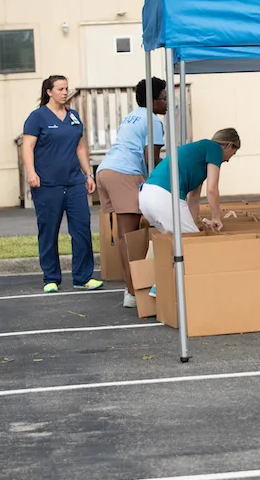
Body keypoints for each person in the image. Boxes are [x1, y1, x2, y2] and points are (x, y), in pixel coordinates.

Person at [21, 75, 102, 293]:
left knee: (82, 229)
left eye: (67, 88)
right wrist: (31, 172)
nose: (65, 92)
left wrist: (88, 175)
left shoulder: (73, 116)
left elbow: (81, 147)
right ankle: (51, 278)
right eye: (60, 89)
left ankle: (83, 277)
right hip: (47, 184)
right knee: (48, 231)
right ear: (49, 91)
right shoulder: (37, 117)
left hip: (75, 182)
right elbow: (27, 147)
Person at [139, 128, 240, 297]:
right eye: (233, 153)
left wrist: (193, 225)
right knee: (194, 248)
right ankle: (164, 288)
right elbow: (212, 190)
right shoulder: (214, 148)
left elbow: (193, 199)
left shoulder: (198, 153)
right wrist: (216, 217)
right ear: (228, 145)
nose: (229, 160)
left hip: (147, 195)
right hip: (165, 197)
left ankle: (145, 282)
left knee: (168, 240)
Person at [95, 77, 167, 309]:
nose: (167, 103)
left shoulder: (133, 115)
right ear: (153, 100)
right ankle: (133, 292)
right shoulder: (153, 121)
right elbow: (151, 159)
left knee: (126, 236)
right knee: (131, 238)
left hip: (106, 171)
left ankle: (132, 289)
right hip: (124, 173)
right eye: (164, 98)